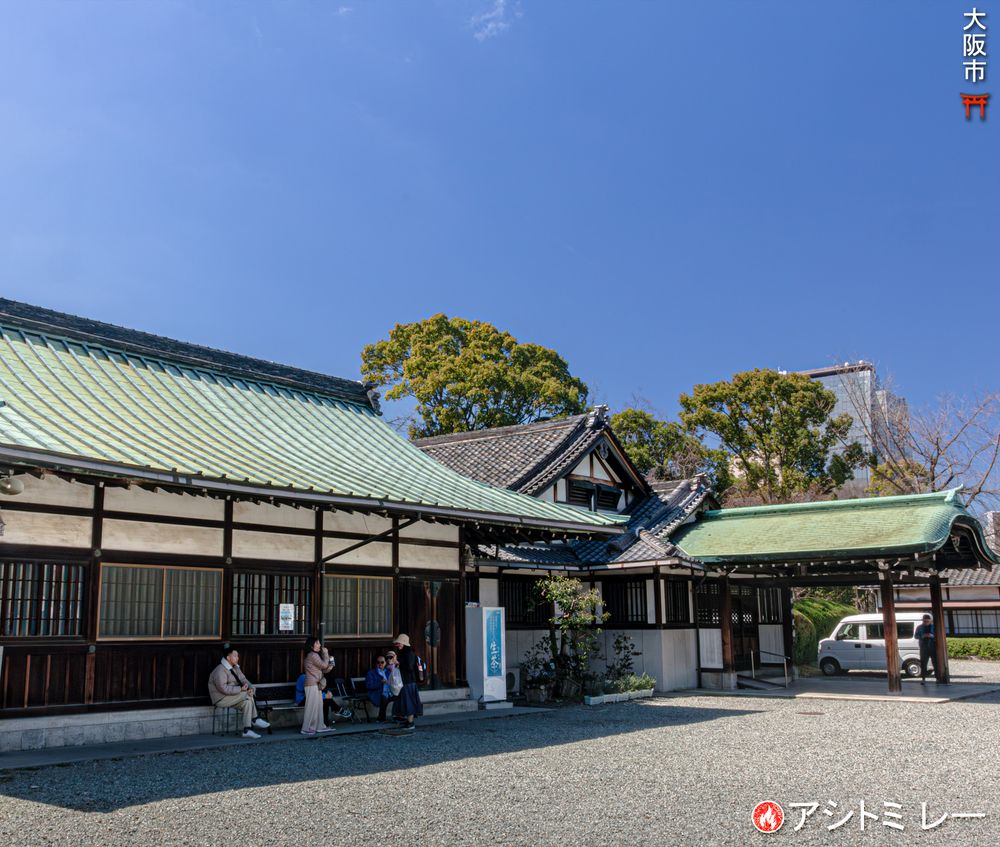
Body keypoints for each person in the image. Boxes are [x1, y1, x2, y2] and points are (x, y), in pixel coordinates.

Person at [208, 649, 271, 739]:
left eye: (237, 656)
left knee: (247, 702)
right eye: (235, 656)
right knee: (247, 695)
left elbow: (244, 680)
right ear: (228, 658)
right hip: (221, 698)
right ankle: (255, 718)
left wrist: (251, 688)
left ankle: (247, 730)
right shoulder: (220, 670)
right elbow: (223, 689)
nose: (237, 658)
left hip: (233, 697)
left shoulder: (236, 668)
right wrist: (240, 689)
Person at [301, 637, 335, 735]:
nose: (320, 645)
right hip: (311, 684)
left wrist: (331, 664)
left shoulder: (313, 655)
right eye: (317, 643)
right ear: (312, 645)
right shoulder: (313, 655)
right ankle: (306, 728)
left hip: (316, 684)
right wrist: (325, 654)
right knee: (311, 707)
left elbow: (324, 669)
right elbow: (324, 665)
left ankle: (319, 726)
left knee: (318, 706)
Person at [392, 634, 423, 732]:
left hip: (408, 681)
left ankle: (410, 723)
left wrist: (398, 663)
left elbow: (409, 667)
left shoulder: (409, 653)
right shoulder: (404, 652)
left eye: (399, 643)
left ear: (404, 643)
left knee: (409, 702)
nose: (398, 645)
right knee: (407, 702)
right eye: (397, 643)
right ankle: (408, 721)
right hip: (405, 681)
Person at [366, 655, 398, 723]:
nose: (380, 664)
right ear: (376, 663)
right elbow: (369, 685)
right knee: (384, 697)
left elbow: (394, 682)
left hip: (390, 692)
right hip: (377, 693)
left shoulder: (389, 671)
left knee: (399, 696)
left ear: (385, 663)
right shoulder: (371, 673)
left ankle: (397, 716)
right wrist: (380, 683)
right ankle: (381, 718)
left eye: (382, 662)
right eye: (378, 662)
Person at [915, 613, 936, 684]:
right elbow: (916, 636)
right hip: (923, 647)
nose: (926, 622)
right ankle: (923, 679)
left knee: (935, 663)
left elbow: (940, 635)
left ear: (930, 621)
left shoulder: (934, 627)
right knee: (923, 663)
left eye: (927, 621)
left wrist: (932, 636)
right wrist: (922, 636)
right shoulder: (919, 627)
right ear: (923, 621)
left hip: (933, 647)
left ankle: (938, 678)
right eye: (924, 621)